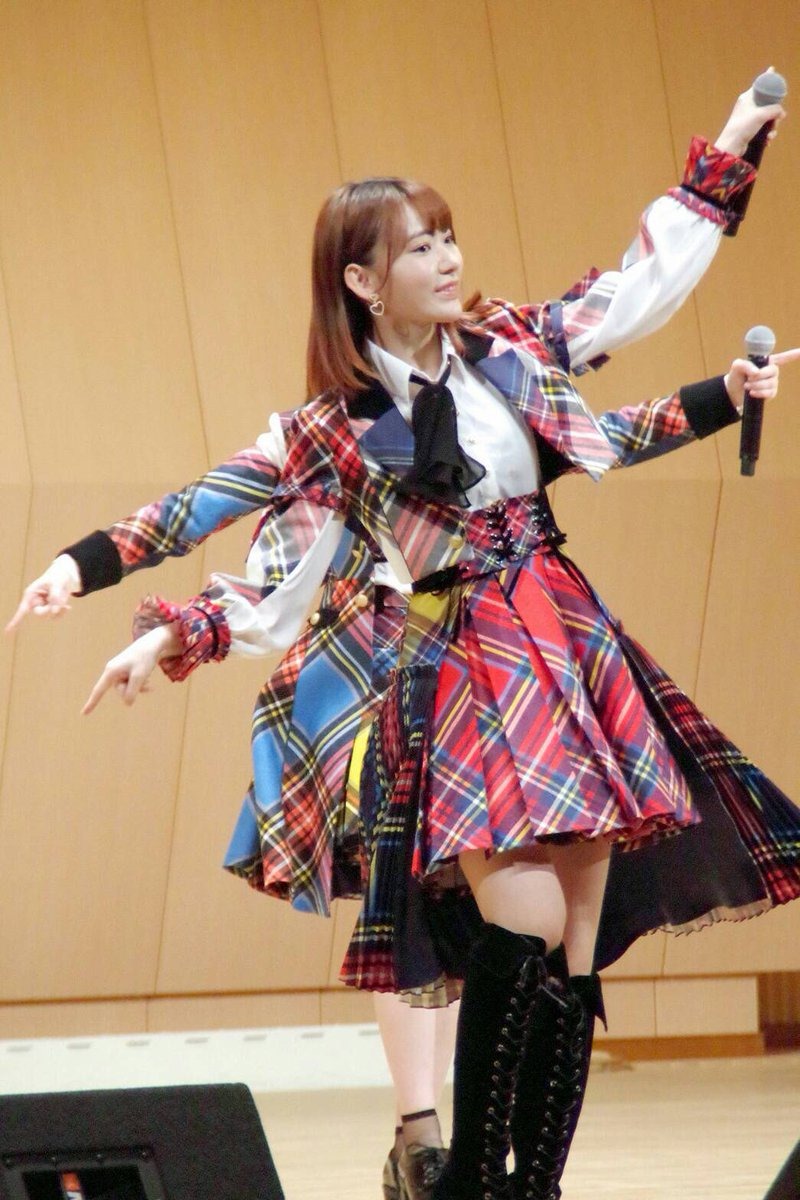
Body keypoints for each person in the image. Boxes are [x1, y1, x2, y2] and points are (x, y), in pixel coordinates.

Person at [8, 83, 795, 1200]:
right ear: (362, 281)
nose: (445, 258)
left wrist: (727, 157)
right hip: (460, 661)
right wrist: (86, 572)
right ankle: (470, 1179)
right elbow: (212, 515)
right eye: (416, 246)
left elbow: (635, 291)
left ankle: (533, 1187)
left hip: (563, 640)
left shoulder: (509, 347)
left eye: (446, 236)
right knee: (521, 926)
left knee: (574, 946)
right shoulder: (330, 429)